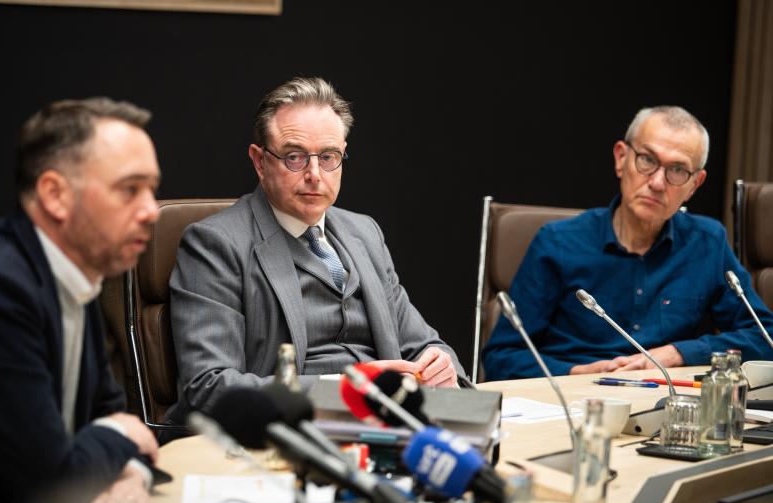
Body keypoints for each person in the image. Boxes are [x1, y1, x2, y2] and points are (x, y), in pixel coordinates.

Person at [168, 77, 469, 424]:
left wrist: (441, 365)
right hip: (289, 431)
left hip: (385, 426)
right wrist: (345, 390)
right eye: (294, 157)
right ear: (260, 162)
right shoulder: (215, 244)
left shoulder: (364, 233)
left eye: (328, 157)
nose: (314, 174)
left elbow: (422, 343)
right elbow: (209, 386)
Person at [0, 98, 162, 503]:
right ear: (55, 195)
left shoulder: (77, 273)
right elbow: (43, 483)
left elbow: (111, 418)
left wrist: (131, 474)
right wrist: (121, 437)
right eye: (129, 189)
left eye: (152, 188)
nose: (152, 210)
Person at [484, 106, 773, 380]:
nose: (657, 182)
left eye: (677, 170)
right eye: (647, 160)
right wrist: (575, 373)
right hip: (573, 400)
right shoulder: (557, 242)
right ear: (621, 159)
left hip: (664, 400)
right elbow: (502, 357)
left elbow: (765, 337)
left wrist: (677, 353)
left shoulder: (706, 243)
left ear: (694, 185)